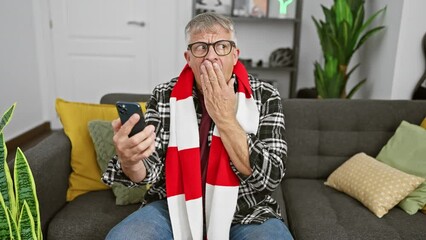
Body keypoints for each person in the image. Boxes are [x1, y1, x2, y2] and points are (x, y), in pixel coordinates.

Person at [102, 12, 292, 240]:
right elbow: (149, 170)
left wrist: (225, 119)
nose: (211, 56)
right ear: (188, 58)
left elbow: (270, 177)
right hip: (173, 205)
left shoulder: (265, 95)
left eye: (222, 46)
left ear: (235, 55)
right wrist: (130, 159)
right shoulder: (165, 95)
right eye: (201, 48)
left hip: (246, 209)